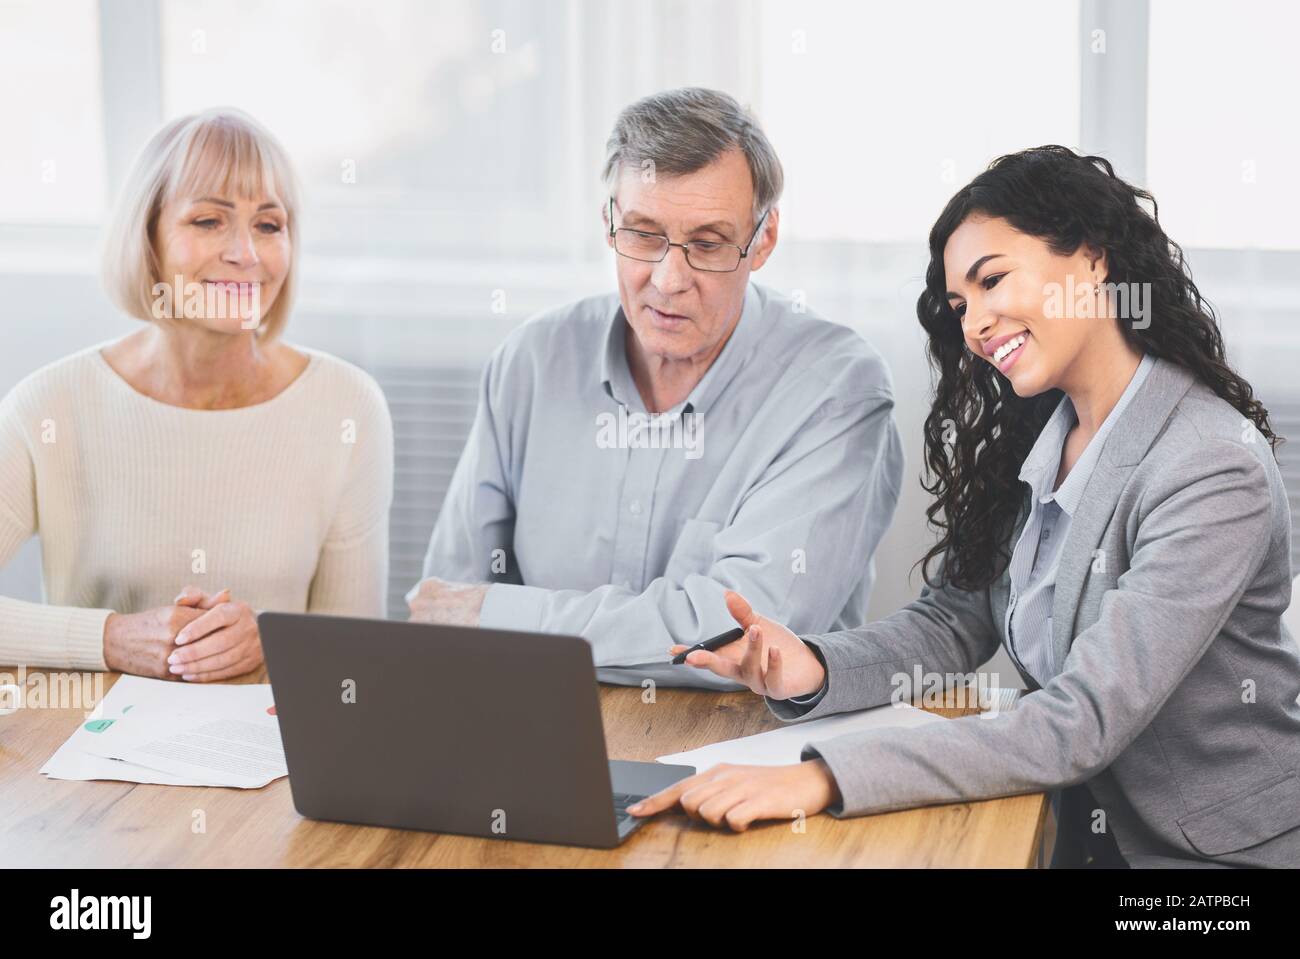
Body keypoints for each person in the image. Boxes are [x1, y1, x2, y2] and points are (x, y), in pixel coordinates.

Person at [629, 146, 1300, 868]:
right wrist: (814, 669)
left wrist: (824, 775)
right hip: (1064, 831)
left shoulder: (1207, 464)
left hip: (1216, 861)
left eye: (993, 281)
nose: (975, 324)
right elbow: (954, 622)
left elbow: (1083, 719)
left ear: (1094, 260)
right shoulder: (1045, 434)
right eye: (960, 305)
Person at [407, 88, 903, 689]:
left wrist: (498, 616)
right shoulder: (532, 361)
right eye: (643, 234)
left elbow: (744, 640)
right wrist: (480, 618)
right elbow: (445, 610)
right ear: (608, 221)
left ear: (764, 239)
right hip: (530, 731)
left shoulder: (835, 389)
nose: (669, 280)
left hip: (741, 755)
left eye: (709, 244)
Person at [0, 108, 393, 682]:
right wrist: (110, 638)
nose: (246, 254)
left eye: (268, 224)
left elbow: (355, 653)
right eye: (209, 221)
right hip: (89, 750)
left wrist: (272, 639)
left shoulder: (347, 406)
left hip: (265, 754)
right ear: (148, 239)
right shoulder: (50, 405)